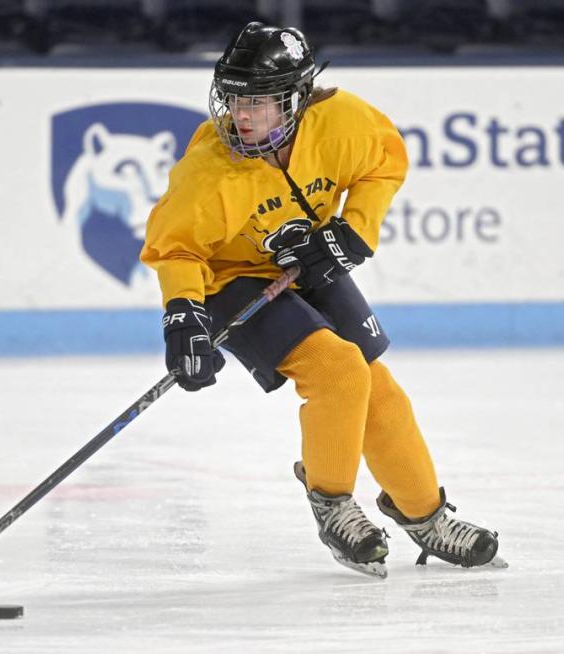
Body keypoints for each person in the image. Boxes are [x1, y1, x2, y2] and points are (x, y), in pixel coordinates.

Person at [141, 22, 503, 578]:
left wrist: (353, 230)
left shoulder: (343, 123)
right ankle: (332, 503)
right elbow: (176, 250)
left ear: (297, 98)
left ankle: (424, 515)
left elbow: (386, 161)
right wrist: (183, 317)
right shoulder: (209, 172)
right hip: (229, 278)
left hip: (307, 259)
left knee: (377, 388)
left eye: (258, 101)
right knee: (338, 370)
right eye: (235, 98)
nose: (241, 114)